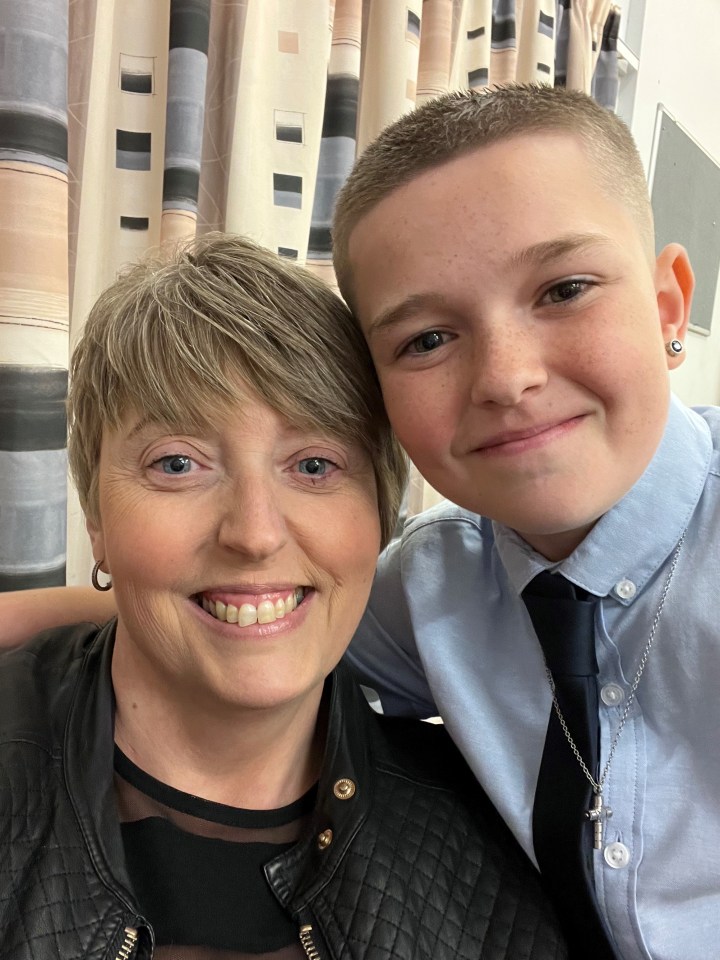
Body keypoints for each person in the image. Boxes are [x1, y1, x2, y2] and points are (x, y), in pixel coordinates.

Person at [0, 83, 712, 958]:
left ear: (672, 305)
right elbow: (253, 604)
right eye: (426, 339)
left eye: (563, 288)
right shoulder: (436, 587)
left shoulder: (458, 866)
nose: (506, 375)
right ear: (95, 514)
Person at [0, 233, 567, 960]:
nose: (256, 534)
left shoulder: (490, 838)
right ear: (97, 521)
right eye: (177, 463)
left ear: (379, 515)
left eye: (314, 464)